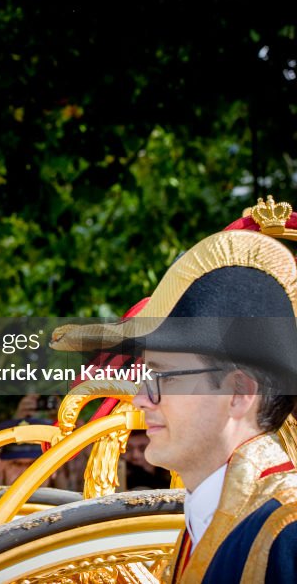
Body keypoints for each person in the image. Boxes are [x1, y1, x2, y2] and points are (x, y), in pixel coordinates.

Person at [51, 228, 297, 582]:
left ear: (239, 393)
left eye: (162, 377)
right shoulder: (211, 524)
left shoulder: (285, 532)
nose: (139, 399)